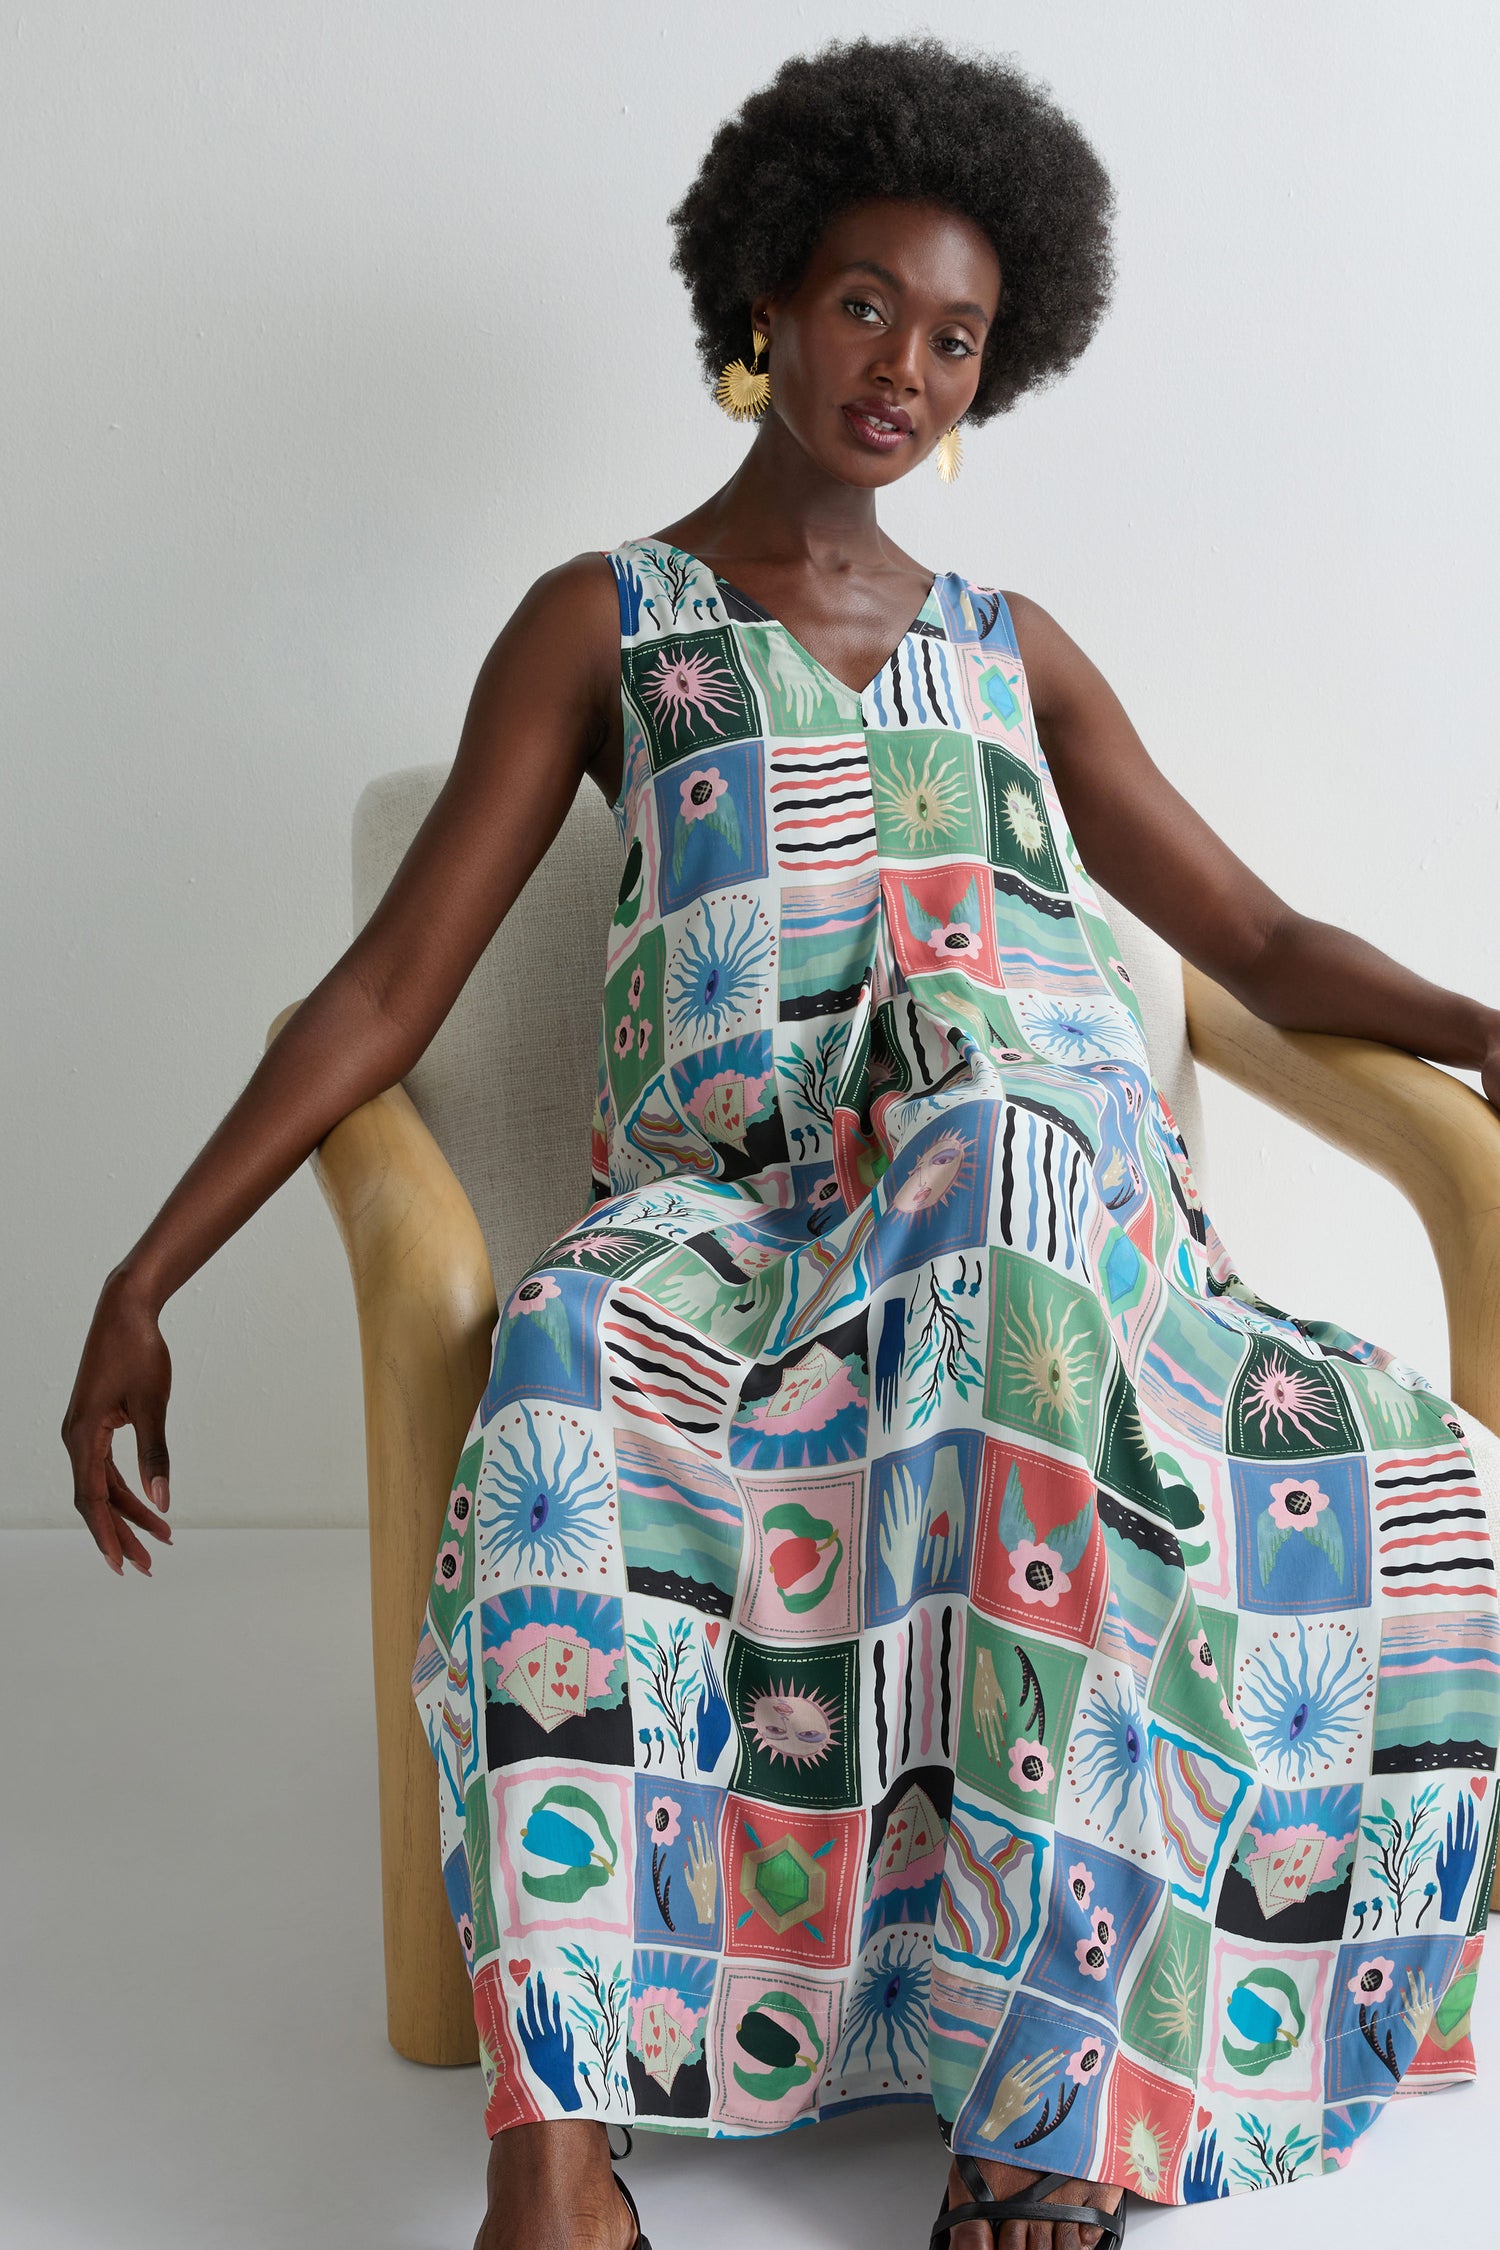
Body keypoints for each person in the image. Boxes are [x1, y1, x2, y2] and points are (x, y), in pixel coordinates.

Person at [60, 31, 1500, 2250]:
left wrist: (1483, 1024)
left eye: (958, 338)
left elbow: (1264, 938)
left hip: (1056, 1234)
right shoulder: (608, 623)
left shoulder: (1020, 654)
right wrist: (143, 1273)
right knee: (550, 1387)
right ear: (763, 298)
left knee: (1009, 1161)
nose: (906, 369)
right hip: (756, 1245)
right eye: (863, 305)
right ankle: (551, 2147)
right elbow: (379, 993)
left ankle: (1054, 2092)